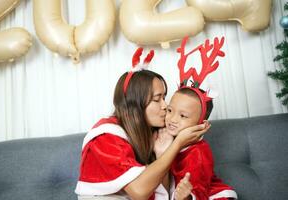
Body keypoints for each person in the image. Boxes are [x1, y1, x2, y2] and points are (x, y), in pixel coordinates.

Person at [75, 47, 210, 200]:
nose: (165, 106)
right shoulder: (105, 136)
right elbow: (139, 191)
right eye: (157, 99)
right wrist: (177, 144)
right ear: (136, 104)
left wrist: (161, 154)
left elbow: (161, 194)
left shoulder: (154, 133)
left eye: (164, 97)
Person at [163, 36, 237, 200]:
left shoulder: (197, 153)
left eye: (183, 115)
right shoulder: (164, 135)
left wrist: (187, 196)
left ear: (201, 125)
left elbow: (199, 188)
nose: (172, 119)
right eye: (169, 110)